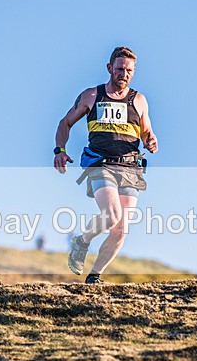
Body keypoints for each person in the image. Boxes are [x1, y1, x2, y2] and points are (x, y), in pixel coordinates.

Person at [54, 46, 158, 284]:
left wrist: (151, 140)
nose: (124, 74)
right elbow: (65, 123)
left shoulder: (139, 100)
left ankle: (94, 276)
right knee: (111, 215)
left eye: (129, 70)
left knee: (121, 229)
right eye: (120, 69)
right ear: (110, 68)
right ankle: (81, 241)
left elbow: (147, 132)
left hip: (130, 167)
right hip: (100, 162)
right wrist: (60, 150)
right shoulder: (92, 96)